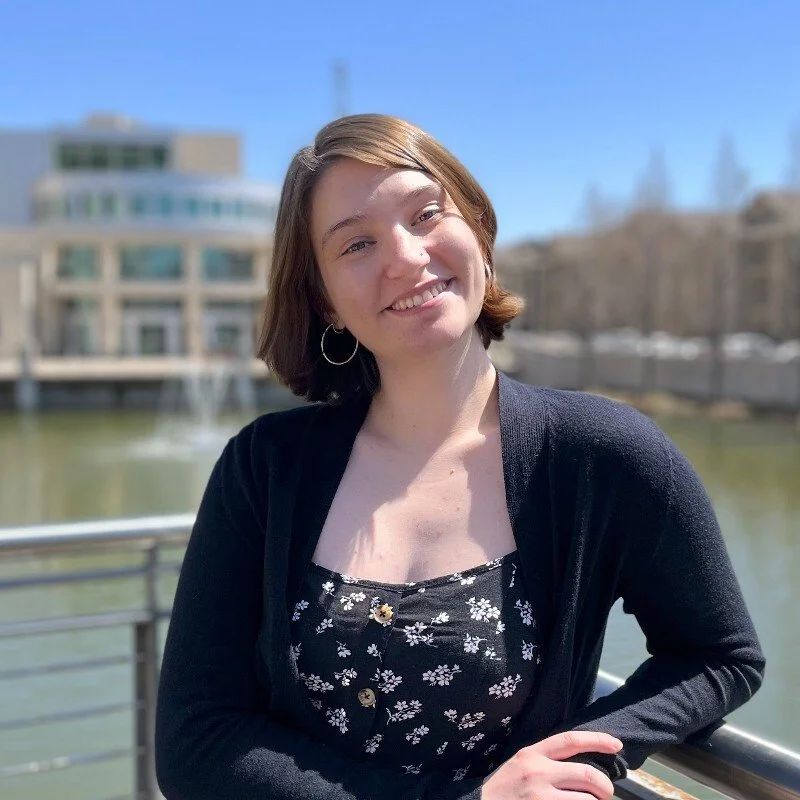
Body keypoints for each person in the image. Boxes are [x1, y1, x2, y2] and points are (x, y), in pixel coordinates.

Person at [155, 114, 765, 800]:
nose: (405, 256)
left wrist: (586, 756)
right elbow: (194, 742)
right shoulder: (263, 469)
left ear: (478, 230)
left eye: (426, 214)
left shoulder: (604, 454)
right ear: (324, 302)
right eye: (357, 243)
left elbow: (719, 657)